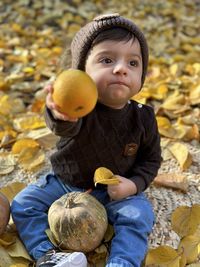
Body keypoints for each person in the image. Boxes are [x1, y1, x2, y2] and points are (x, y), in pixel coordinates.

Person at [11, 13, 162, 267]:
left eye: (133, 63)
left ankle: (122, 263)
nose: (121, 68)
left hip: (115, 190)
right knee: (23, 204)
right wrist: (60, 111)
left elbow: (151, 159)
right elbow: (64, 125)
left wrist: (133, 185)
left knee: (139, 215)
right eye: (107, 59)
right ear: (81, 71)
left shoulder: (143, 117)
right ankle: (49, 256)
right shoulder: (80, 109)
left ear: (141, 77)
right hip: (67, 183)